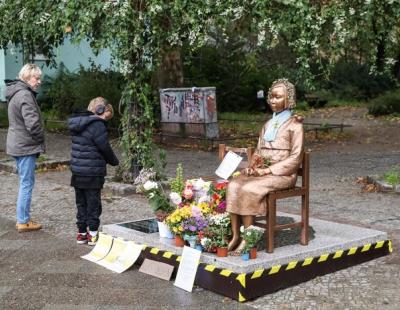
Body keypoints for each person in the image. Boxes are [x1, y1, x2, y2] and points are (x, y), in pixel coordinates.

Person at [226, 78, 304, 254]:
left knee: (249, 188)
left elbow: (296, 157)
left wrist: (268, 170)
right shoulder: (268, 124)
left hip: (283, 175)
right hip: (263, 172)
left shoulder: (296, 126)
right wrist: (251, 166)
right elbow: (259, 151)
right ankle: (235, 235)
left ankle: (248, 238)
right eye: (272, 97)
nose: (273, 101)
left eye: (278, 97)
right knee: (234, 184)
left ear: (289, 99)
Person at [68, 97, 119, 245]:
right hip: (93, 173)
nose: (105, 119)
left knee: (81, 203)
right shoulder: (97, 125)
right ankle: (93, 234)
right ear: (100, 110)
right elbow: (104, 147)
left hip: (77, 172)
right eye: (106, 115)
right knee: (93, 204)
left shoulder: (77, 122)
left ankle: (82, 233)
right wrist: (114, 161)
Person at [6, 64, 45, 232]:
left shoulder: (15, 92)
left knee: (24, 182)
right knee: (26, 183)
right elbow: (33, 124)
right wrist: (39, 139)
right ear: (27, 77)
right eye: (36, 78)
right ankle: (23, 221)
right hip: (25, 146)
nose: (39, 81)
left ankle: (23, 218)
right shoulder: (25, 95)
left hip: (17, 142)